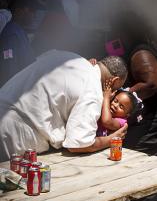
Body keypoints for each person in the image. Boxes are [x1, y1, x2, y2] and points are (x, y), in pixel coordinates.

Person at [0, 51, 128, 161]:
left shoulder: (70, 58)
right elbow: (78, 144)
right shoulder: (93, 88)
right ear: (114, 81)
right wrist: (112, 139)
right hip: (15, 134)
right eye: (114, 90)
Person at [98, 87, 143, 201]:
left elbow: (106, 121)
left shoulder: (121, 122)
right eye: (115, 100)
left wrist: (106, 98)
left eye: (121, 106)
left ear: (127, 114)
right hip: (100, 166)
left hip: (112, 170)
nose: (115, 105)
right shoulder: (108, 107)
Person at [125, 45, 157, 156]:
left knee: (134, 154)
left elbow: (152, 84)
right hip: (147, 111)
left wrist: (123, 96)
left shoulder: (140, 53)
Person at [0, 0, 37, 86]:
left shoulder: (19, 30)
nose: (34, 15)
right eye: (31, 10)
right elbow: (9, 70)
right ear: (19, 11)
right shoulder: (11, 36)